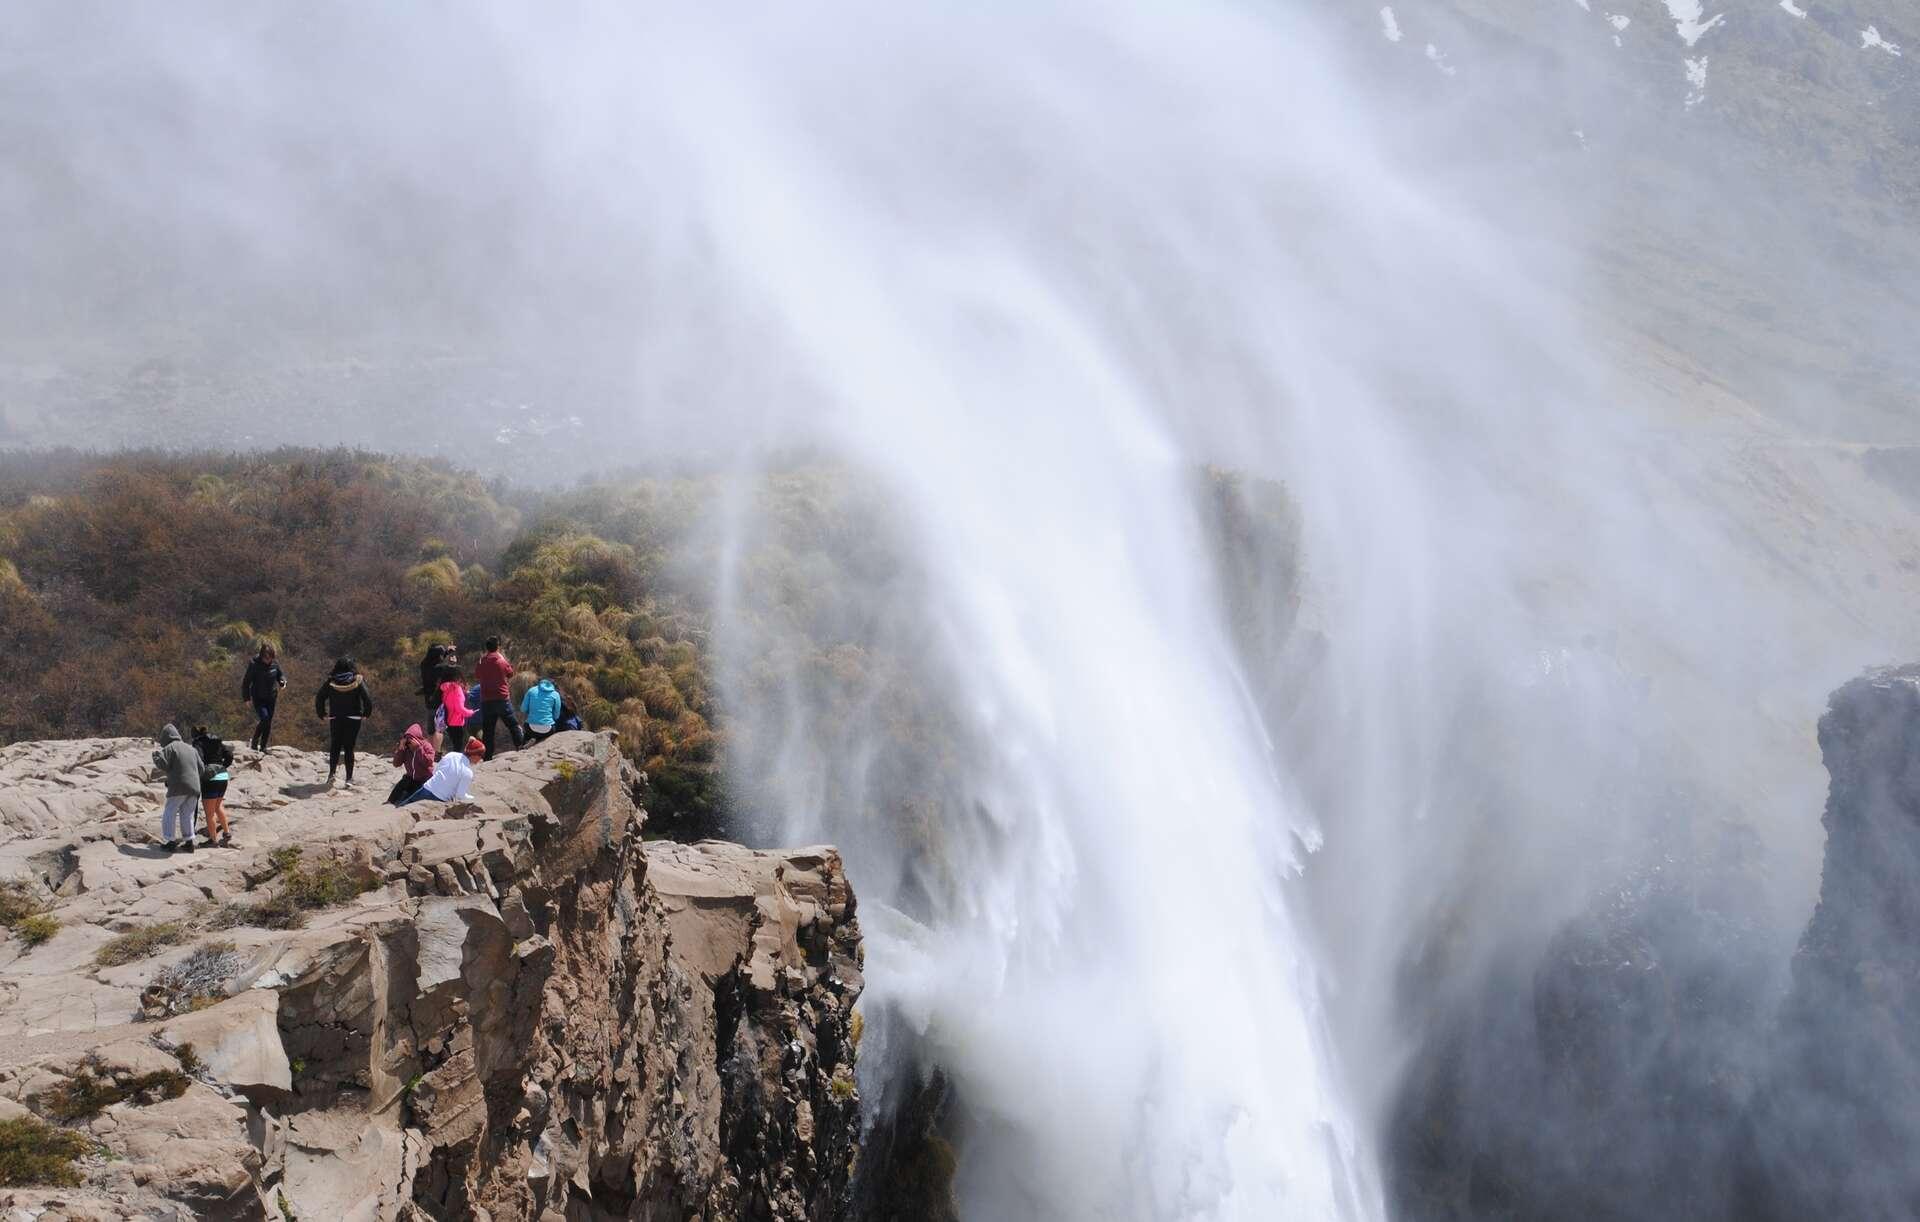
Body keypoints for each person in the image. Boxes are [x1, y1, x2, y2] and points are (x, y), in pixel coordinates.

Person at [315, 656, 374, 789]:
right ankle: (349, 778)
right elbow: (367, 698)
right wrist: (366, 713)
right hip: (353, 718)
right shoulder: (358, 680)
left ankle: (331, 775)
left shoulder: (331, 681)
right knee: (349, 748)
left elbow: (320, 698)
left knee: (335, 745)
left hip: (336, 717)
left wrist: (322, 714)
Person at [151, 724, 202, 853]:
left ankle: (170, 841)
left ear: (166, 737)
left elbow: (163, 764)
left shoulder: (170, 747)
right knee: (187, 814)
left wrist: (156, 755)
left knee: (170, 812)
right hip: (195, 787)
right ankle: (189, 842)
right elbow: (201, 769)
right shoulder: (191, 749)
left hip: (178, 786)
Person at [474, 636, 525, 760]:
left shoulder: (481, 661)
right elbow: (510, 673)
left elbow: (477, 675)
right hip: (502, 699)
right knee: (512, 725)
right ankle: (521, 747)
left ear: (486, 648)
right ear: (498, 646)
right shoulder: (501, 660)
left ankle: (487, 757)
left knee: (488, 730)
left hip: (486, 700)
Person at [191, 726, 235, 847]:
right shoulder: (217, 741)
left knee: (209, 813)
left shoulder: (198, 742)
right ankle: (227, 834)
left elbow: (199, 759)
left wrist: (205, 770)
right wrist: (222, 766)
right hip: (223, 776)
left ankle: (213, 841)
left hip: (210, 779)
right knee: (218, 806)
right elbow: (229, 755)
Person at [239, 643, 287, 751]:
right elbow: (246, 682)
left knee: (268, 721)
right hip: (258, 697)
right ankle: (255, 740)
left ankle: (263, 746)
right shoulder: (254, 664)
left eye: (271, 658)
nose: (269, 660)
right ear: (261, 656)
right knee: (264, 718)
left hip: (271, 696)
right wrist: (246, 698)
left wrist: (282, 682)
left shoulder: (274, 663)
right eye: (267, 658)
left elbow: (280, 675)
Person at [399, 748, 473, 807]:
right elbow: (460, 795)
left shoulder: (451, 754)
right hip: (440, 798)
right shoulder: (468, 772)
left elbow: (436, 770)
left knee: (404, 807)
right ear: (475, 756)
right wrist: (471, 798)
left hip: (428, 787)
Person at [388, 723, 436, 805]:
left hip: (424, 779)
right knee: (401, 785)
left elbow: (428, 762)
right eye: (407, 740)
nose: (409, 743)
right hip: (410, 777)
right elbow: (396, 764)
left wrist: (418, 750)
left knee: (410, 798)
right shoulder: (406, 749)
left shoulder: (426, 746)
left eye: (410, 740)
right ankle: (390, 802)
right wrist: (401, 750)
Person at [437, 661, 472, 757]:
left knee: (455, 744)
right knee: (459, 745)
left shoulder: (445, 688)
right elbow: (459, 707)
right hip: (457, 721)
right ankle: (456, 764)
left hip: (448, 720)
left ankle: (453, 761)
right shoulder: (456, 688)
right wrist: (470, 712)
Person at [519, 676, 565, 743]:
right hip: (548, 730)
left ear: (540, 683)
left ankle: (523, 745)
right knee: (555, 725)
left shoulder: (531, 690)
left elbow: (523, 709)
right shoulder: (555, 694)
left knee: (527, 729)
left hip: (530, 729)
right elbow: (556, 716)